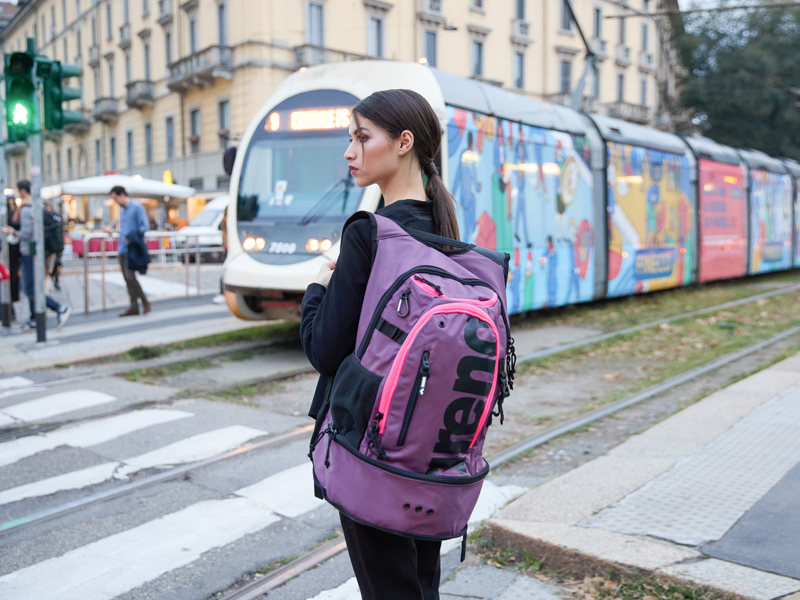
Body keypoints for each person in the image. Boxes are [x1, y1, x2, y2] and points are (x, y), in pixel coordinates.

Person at [301, 89, 460, 600]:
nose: (350, 152)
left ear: (404, 142)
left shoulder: (371, 234)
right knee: (419, 584)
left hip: (371, 448)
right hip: (432, 450)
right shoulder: (447, 232)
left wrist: (317, 289)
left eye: (361, 137)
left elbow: (324, 351)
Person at [1, 181, 71, 330]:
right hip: (35, 252)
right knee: (32, 287)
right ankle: (34, 317)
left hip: (30, 252)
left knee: (30, 288)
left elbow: (26, 234)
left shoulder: (26, 210)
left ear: (22, 192)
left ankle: (59, 308)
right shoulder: (34, 207)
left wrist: (12, 232)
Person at [110, 185, 151, 317]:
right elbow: (124, 229)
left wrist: (131, 237)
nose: (114, 201)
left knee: (130, 276)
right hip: (122, 247)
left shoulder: (136, 207)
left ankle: (144, 301)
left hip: (132, 248)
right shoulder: (122, 211)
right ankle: (134, 306)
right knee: (127, 279)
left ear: (122, 195)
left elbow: (144, 226)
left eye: (115, 197)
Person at [6, 194, 21, 321]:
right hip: (8, 252)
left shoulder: (17, 212)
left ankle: (10, 309)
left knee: (11, 280)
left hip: (13, 252)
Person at [43, 203, 64, 292]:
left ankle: (55, 281)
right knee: (49, 267)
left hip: (56, 246)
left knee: (56, 264)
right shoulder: (49, 219)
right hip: (49, 247)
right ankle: (50, 281)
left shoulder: (56, 218)